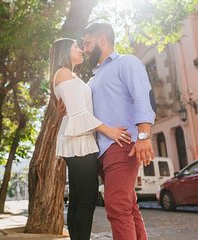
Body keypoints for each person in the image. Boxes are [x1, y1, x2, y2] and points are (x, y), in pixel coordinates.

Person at [50, 38, 132, 240]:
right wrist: (110, 131)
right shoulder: (64, 72)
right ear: (64, 52)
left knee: (79, 200)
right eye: (75, 47)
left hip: (80, 141)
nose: (80, 50)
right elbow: (79, 114)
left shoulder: (69, 74)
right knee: (87, 200)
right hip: (79, 142)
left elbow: (74, 109)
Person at [81, 22, 155, 240]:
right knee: (128, 207)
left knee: (116, 207)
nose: (85, 50)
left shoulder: (126, 62)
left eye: (87, 43)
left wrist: (143, 136)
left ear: (102, 40)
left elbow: (142, 96)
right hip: (101, 151)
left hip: (122, 144)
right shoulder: (93, 79)